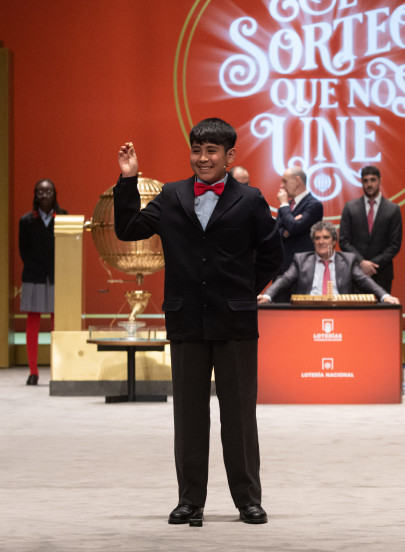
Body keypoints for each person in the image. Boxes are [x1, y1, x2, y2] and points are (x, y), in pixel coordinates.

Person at [114, 118, 283, 526]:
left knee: (239, 414)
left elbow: (272, 255)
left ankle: (247, 500)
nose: (202, 158)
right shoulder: (171, 195)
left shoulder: (251, 199)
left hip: (235, 322)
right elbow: (127, 228)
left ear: (229, 156)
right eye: (197, 150)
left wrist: (242, 290)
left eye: (211, 151)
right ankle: (190, 500)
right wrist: (128, 180)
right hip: (186, 319)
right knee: (189, 415)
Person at [258, 221, 399, 304]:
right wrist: (267, 296)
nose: (321, 242)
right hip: (307, 312)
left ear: (334, 240)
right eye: (317, 238)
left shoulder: (348, 260)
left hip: (340, 312)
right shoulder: (301, 260)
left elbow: (365, 280)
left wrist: (385, 296)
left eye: (325, 237)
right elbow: (284, 280)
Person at [18, 179, 67, 386]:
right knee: (33, 322)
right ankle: (33, 371)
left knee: (58, 324)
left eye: (48, 192)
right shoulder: (26, 220)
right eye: (40, 192)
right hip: (34, 276)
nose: (44, 195)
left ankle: (59, 370)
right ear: (35, 195)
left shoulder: (64, 217)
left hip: (58, 276)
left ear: (55, 193)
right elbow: (23, 250)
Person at [339, 165, 402, 293]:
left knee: (382, 312)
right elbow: (344, 241)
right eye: (365, 180)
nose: (369, 184)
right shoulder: (350, 207)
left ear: (380, 180)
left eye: (373, 180)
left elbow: (394, 245)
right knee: (356, 312)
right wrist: (362, 263)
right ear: (361, 182)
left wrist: (372, 265)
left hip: (382, 273)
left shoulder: (393, 209)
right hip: (356, 271)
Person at [276, 166, 323, 275]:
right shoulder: (288, 206)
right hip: (281, 268)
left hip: (302, 269)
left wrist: (283, 205)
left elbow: (294, 227)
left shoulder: (314, 204)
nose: (281, 186)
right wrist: (285, 231)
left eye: (285, 181)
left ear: (297, 181)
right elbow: (276, 232)